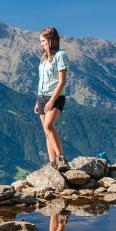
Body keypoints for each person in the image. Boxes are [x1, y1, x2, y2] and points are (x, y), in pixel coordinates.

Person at [34, 26, 70, 170]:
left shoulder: (61, 55)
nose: (41, 44)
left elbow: (62, 81)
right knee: (46, 131)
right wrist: (38, 101)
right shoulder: (43, 58)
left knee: (49, 126)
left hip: (55, 97)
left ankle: (61, 158)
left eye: (43, 41)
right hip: (42, 97)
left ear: (51, 40)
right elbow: (41, 80)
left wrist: (52, 100)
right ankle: (52, 162)